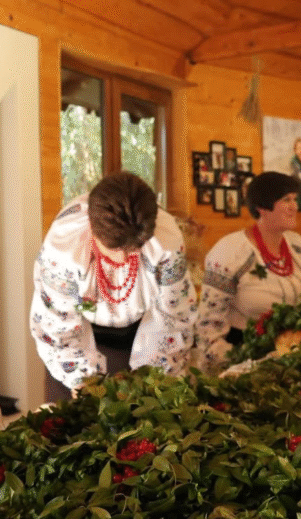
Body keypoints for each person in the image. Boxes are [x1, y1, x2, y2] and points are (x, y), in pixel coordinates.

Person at [30, 171, 197, 401]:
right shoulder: (64, 248)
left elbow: (174, 315)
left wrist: (153, 380)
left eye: (134, 250)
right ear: (92, 228)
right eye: (114, 251)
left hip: (142, 338)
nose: (123, 260)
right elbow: (57, 326)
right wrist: (85, 383)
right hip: (77, 343)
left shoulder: (165, 242)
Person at [194, 172, 301, 373]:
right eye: (286, 200)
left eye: (295, 199)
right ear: (262, 206)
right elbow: (208, 328)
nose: (294, 206)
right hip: (247, 360)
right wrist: (238, 365)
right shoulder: (230, 252)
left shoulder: (297, 245)